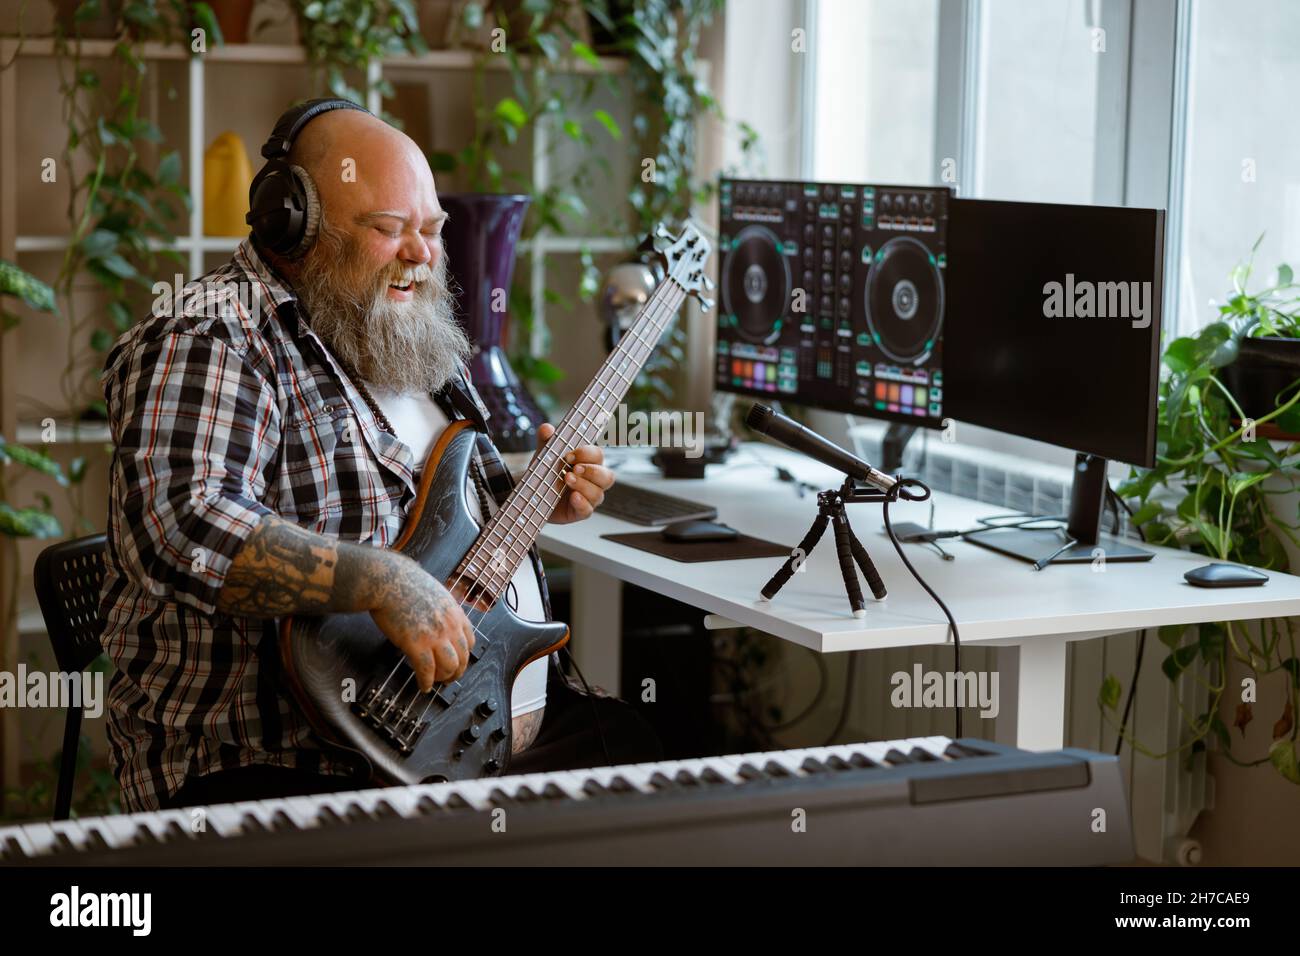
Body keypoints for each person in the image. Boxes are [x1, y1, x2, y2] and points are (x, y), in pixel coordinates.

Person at [98, 99, 661, 813]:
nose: (422, 255)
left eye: (431, 230)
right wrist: (379, 583)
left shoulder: (398, 330)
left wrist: (526, 499)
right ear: (291, 223)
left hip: (463, 733)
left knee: (655, 773)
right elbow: (182, 526)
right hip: (286, 764)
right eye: (389, 230)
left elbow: (425, 519)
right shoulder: (210, 336)